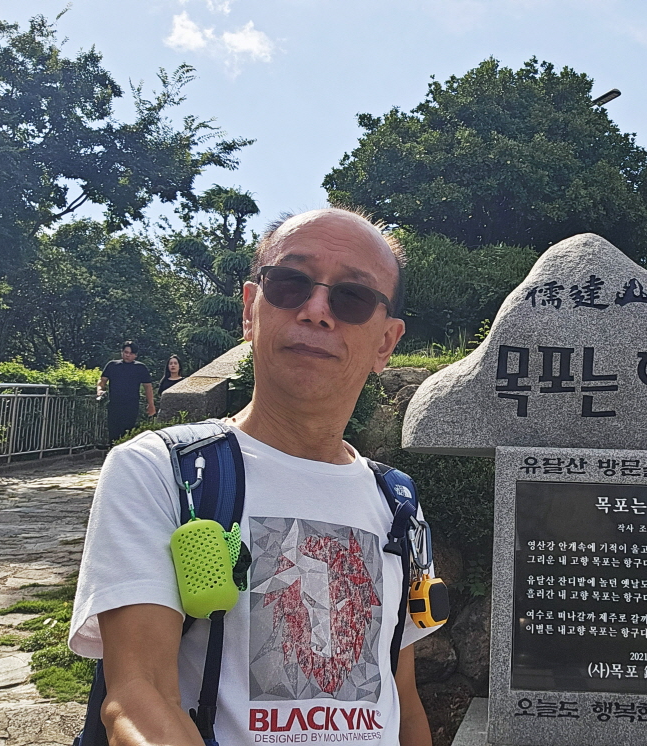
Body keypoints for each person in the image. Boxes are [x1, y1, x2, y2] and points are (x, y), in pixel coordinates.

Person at [70, 208, 434, 746]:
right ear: (250, 309)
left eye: (352, 297)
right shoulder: (165, 472)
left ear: (386, 341)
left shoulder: (397, 500)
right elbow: (141, 696)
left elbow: (401, 696)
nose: (316, 311)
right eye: (290, 284)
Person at [97, 341, 157, 442]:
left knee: (127, 433)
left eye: (131, 353)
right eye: (126, 352)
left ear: (135, 355)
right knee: (113, 433)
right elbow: (102, 381)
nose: (127, 355)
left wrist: (151, 404)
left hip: (131, 406)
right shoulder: (112, 365)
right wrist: (99, 390)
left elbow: (148, 387)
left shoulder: (140, 368)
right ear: (122, 352)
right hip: (114, 404)